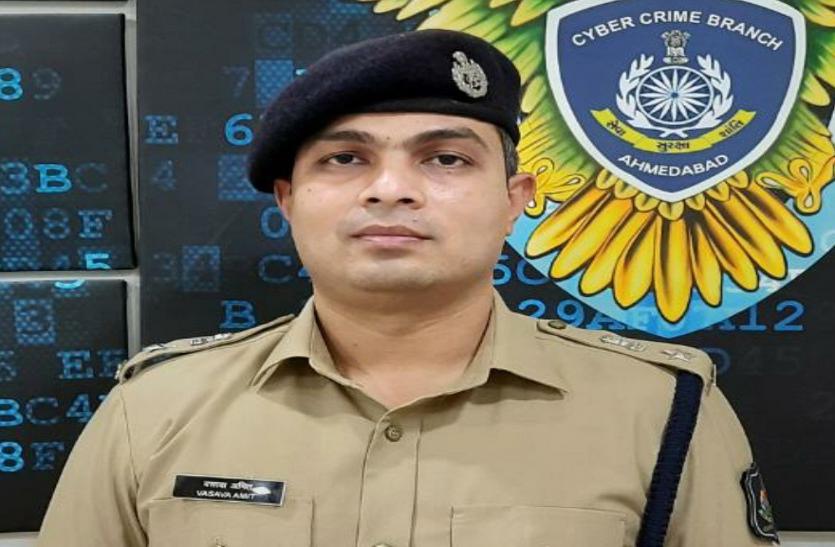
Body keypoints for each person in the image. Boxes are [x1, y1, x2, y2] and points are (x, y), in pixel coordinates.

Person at [37, 29, 778, 546]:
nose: (390, 189)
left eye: (446, 159)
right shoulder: (154, 410)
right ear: (288, 200)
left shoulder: (661, 412)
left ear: (514, 200)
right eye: (345, 159)